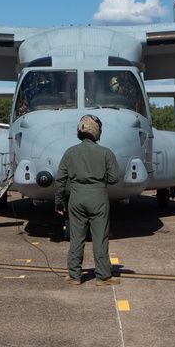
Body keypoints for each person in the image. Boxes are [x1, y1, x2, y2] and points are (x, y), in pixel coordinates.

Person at [55, 115, 121, 286]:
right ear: (96, 132)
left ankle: (74, 275)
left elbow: (60, 180)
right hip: (98, 197)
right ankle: (103, 276)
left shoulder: (70, 152)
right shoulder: (105, 152)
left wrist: (59, 202)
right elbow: (114, 178)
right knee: (100, 237)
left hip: (76, 198)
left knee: (77, 237)